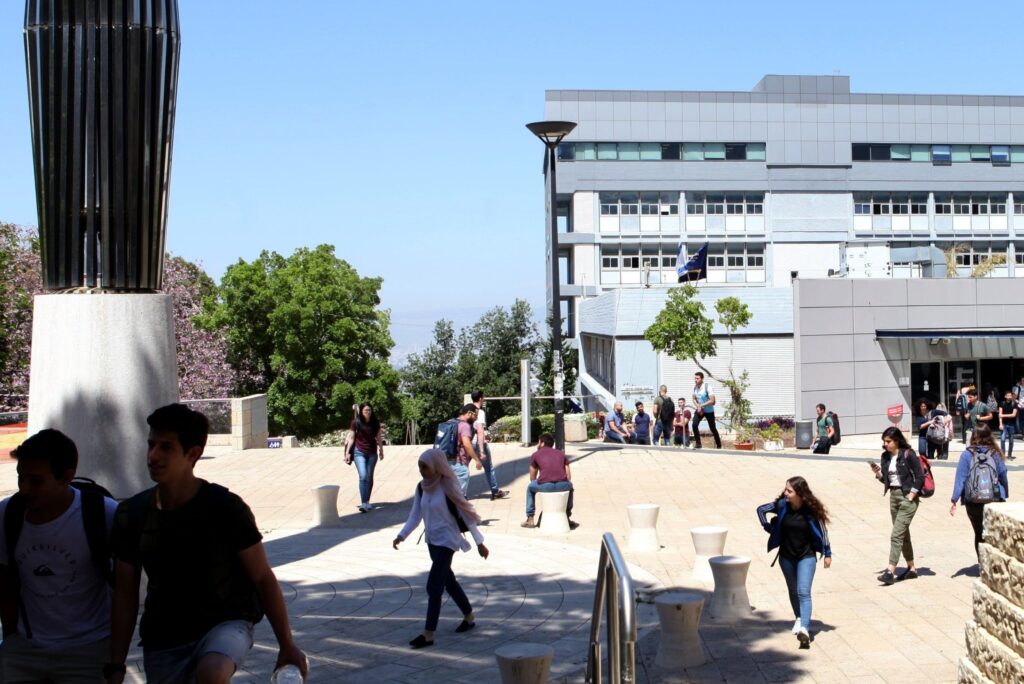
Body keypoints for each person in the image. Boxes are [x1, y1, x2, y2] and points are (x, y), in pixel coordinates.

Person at [107, 404, 306, 684]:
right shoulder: (132, 514)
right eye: (151, 445)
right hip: (163, 636)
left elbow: (262, 577)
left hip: (226, 623)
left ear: (193, 454)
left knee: (211, 673)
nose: (153, 456)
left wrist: (287, 644)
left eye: (166, 448)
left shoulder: (225, 508)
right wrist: (116, 665)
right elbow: (125, 594)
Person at [0, 429, 118, 683]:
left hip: (90, 651)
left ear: (67, 477)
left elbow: (125, 588)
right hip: (23, 651)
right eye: (21, 478)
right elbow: (4, 581)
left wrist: (116, 660)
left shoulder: (103, 514)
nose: (24, 489)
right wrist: (11, 638)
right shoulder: (7, 514)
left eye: (36, 481)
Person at [393, 449, 489, 649]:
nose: (422, 471)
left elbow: (465, 514)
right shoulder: (422, 488)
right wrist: (401, 535)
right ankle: (469, 616)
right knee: (449, 581)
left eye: (425, 467)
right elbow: (415, 515)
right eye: (420, 466)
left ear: (437, 466)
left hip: (448, 541)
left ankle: (428, 633)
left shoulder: (448, 486)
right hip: (432, 542)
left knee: (434, 586)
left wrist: (480, 542)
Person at [756, 476, 832, 648]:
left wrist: (827, 553)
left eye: (789, 491)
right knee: (792, 589)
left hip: (807, 556)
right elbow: (761, 510)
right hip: (786, 557)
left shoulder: (811, 510)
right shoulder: (782, 505)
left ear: (800, 493)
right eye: (786, 490)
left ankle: (804, 628)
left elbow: (823, 531)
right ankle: (798, 617)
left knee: (803, 591)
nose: (785, 493)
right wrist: (769, 528)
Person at [868, 427, 924, 586]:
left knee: (896, 535)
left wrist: (912, 495)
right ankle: (912, 568)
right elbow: (886, 479)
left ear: (897, 440)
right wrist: (878, 474)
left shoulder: (908, 454)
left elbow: (920, 476)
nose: (886, 445)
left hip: (907, 497)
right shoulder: (885, 457)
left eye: (888, 441)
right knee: (903, 534)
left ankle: (890, 571)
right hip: (893, 497)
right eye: (884, 442)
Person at [949, 424, 1009, 558]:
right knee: (994, 532)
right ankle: (994, 563)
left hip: (973, 499)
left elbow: (961, 478)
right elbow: (1003, 473)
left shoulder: (966, 454)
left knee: (979, 533)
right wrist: (1004, 492)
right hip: (995, 497)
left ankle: (982, 563)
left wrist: (954, 499)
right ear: (989, 436)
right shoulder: (995, 453)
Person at [520, 433, 578, 530]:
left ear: (542, 443)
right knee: (570, 487)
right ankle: (567, 516)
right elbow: (568, 476)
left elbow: (532, 477)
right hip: (563, 484)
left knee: (530, 488)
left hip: (545, 485)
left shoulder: (535, 455)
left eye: (538, 442)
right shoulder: (561, 454)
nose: (537, 445)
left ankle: (530, 518)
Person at [344, 403, 385, 512]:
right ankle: (363, 503)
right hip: (359, 452)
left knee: (369, 477)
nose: (368, 412)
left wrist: (381, 450)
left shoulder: (375, 423)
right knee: (363, 476)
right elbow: (351, 438)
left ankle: (367, 501)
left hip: (372, 452)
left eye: (369, 410)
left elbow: (379, 437)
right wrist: (347, 453)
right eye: (366, 410)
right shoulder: (356, 422)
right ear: (361, 411)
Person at [471, 391, 509, 500]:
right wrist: (482, 450)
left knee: (463, 468)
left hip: (468, 443)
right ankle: (495, 491)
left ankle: (460, 493)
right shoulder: (480, 412)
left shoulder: (467, 410)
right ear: (480, 399)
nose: (484, 399)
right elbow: (479, 430)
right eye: (483, 398)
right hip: (478, 443)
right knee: (489, 468)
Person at [452, 404, 485, 498]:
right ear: (469, 413)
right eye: (475, 416)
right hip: (458, 461)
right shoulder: (464, 425)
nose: (476, 418)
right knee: (460, 493)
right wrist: (477, 460)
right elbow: (467, 445)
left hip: (444, 459)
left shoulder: (451, 422)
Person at [691, 372, 722, 449]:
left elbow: (712, 400)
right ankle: (698, 444)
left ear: (702, 379)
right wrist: (697, 406)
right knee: (694, 425)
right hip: (700, 410)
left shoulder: (707, 387)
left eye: (697, 378)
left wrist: (701, 405)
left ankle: (719, 445)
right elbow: (694, 399)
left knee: (712, 428)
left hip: (709, 411)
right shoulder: (695, 388)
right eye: (695, 378)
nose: (695, 380)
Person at [998, 390, 1018, 460]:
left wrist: (1003, 415)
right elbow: (999, 415)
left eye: (1010, 395)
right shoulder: (1002, 403)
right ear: (1005, 396)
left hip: (1011, 425)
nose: (1009, 397)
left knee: (1011, 440)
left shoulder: (1014, 404)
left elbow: (1013, 415)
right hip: (1004, 424)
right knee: (1002, 439)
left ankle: (1009, 455)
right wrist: (1000, 424)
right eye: (1008, 395)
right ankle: (1003, 454)